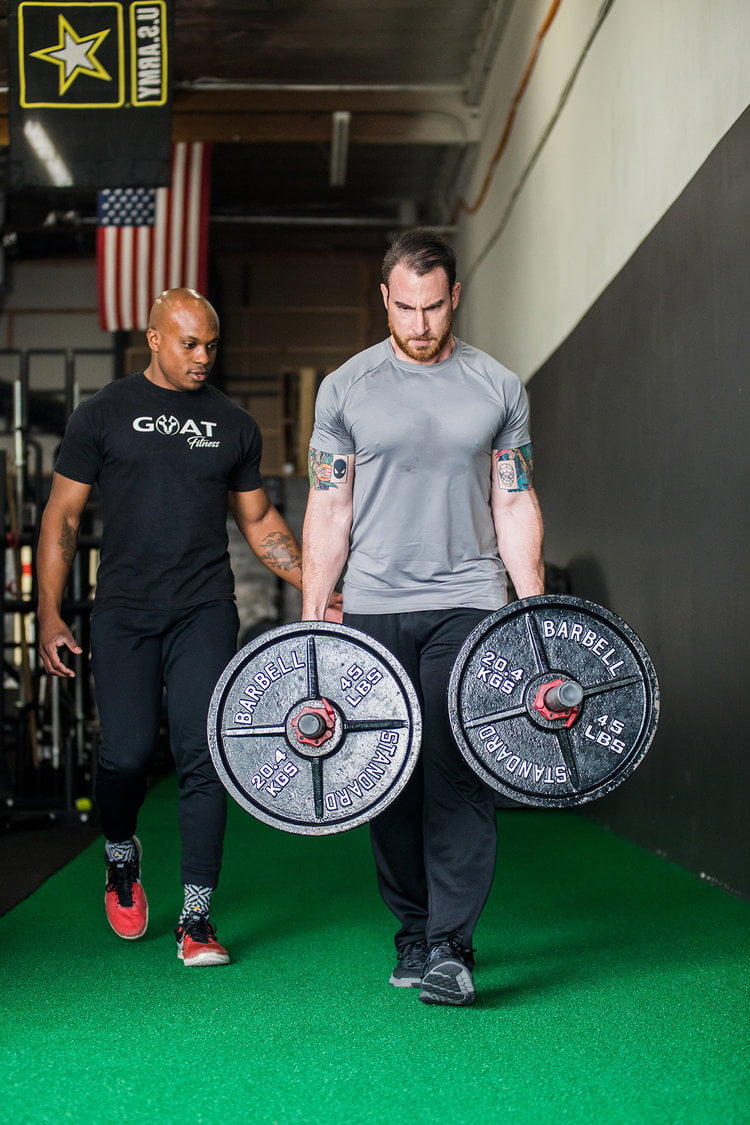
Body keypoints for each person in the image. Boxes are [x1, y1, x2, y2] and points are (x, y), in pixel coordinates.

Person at [37, 287, 333, 967]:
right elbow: (62, 515)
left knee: (204, 756)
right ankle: (120, 852)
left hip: (203, 609)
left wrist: (318, 589)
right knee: (126, 755)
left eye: (211, 345)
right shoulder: (102, 414)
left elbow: (258, 520)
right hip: (124, 612)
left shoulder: (233, 424)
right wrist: (49, 611)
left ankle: (196, 918)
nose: (203, 357)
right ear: (154, 339)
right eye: (189, 343)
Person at [301, 229, 545, 1006]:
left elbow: (513, 500)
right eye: (405, 307)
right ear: (385, 298)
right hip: (375, 606)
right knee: (389, 778)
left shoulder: (498, 387)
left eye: (433, 307)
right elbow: (329, 506)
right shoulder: (345, 389)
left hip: (469, 600)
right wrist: (313, 620)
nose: (419, 323)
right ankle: (413, 929)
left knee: (458, 771)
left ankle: (451, 946)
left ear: (455, 297)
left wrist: (531, 611)